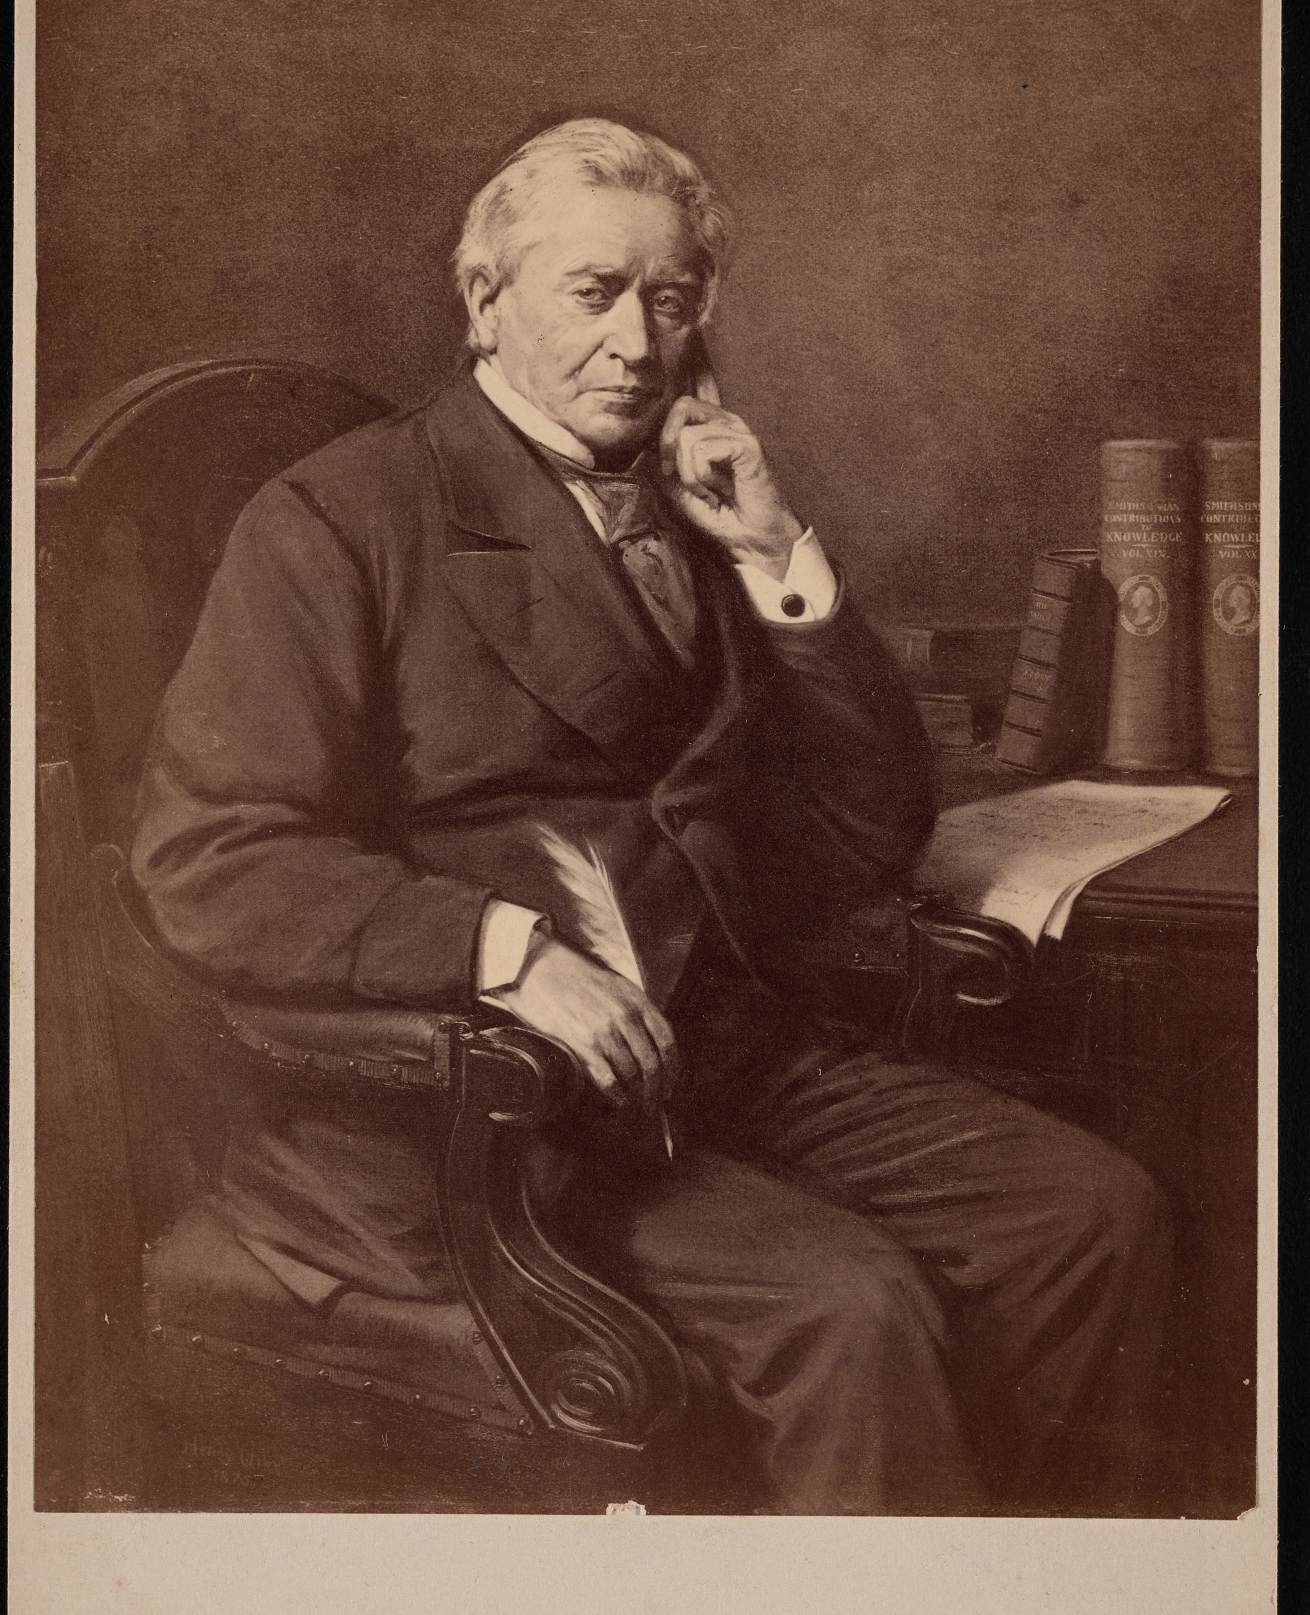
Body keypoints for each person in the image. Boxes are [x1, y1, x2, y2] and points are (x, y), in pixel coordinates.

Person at [132, 118, 1169, 1514]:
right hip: (480, 1109)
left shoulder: (698, 508)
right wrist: (504, 952)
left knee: (1092, 1218)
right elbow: (212, 857)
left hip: (718, 1053)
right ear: (484, 301)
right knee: (849, 1310)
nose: (637, 343)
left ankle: (1002, 1605)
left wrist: (773, 554)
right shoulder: (337, 518)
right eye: (594, 292)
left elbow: (866, 829)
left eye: (670, 300)